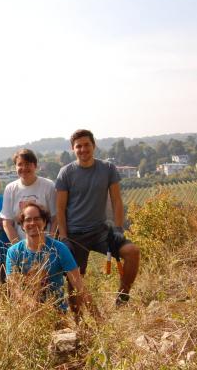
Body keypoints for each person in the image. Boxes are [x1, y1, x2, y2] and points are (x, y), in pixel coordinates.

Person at [56, 129, 140, 305]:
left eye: (87, 145)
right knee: (75, 280)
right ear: (73, 149)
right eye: (79, 146)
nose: (83, 149)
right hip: (75, 234)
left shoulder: (108, 169)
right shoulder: (66, 173)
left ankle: (122, 298)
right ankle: (79, 323)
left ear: (94, 146)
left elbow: (117, 200)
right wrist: (63, 237)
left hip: (101, 231)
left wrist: (118, 228)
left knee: (132, 252)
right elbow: (60, 208)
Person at [6, 203, 94, 314]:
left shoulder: (59, 248)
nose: (32, 223)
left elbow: (79, 285)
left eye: (37, 218)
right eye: (28, 220)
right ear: (22, 225)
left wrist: (98, 319)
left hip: (57, 313)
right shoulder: (14, 252)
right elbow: (15, 288)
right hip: (26, 315)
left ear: (44, 222)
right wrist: (32, 308)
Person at [0, 149, 57, 244]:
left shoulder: (49, 186)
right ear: (15, 167)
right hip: (21, 246)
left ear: (35, 166)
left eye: (27, 164)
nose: (24, 167)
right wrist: (19, 248)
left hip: (45, 245)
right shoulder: (10, 189)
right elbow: (7, 222)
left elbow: (56, 219)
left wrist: (49, 245)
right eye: (20, 164)